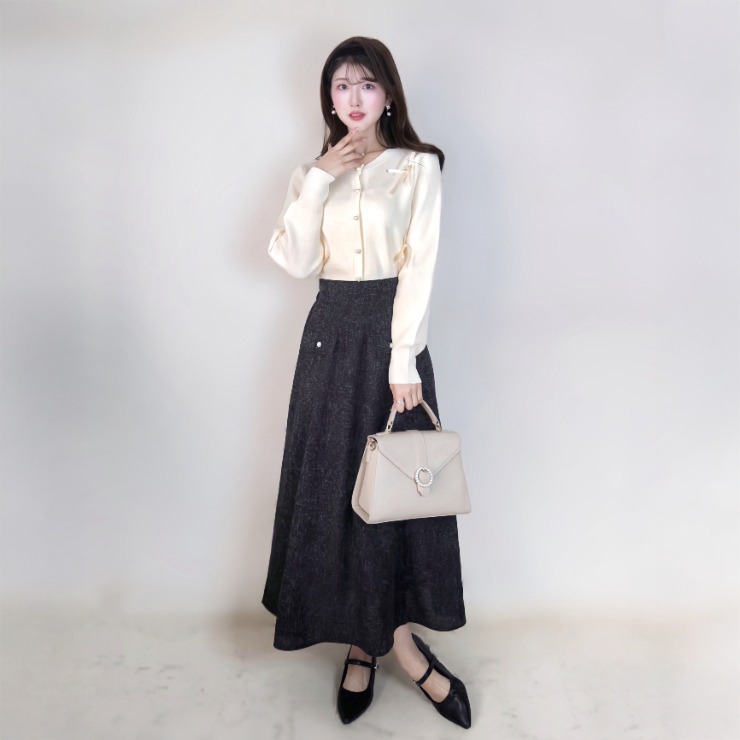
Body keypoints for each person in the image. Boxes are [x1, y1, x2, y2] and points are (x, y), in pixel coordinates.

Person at [261, 36, 471, 730]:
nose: (354, 97)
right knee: (337, 490)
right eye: (342, 85)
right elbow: (295, 261)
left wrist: (402, 358)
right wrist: (319, 177)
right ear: (330, 98)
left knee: (395, 491)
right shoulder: (311, 174)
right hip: (328, 334)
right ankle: (363, 642)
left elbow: (421, 264)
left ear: (388, 95)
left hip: (390, 336)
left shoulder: (416, 166)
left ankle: (399, 645)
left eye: (367, 84)